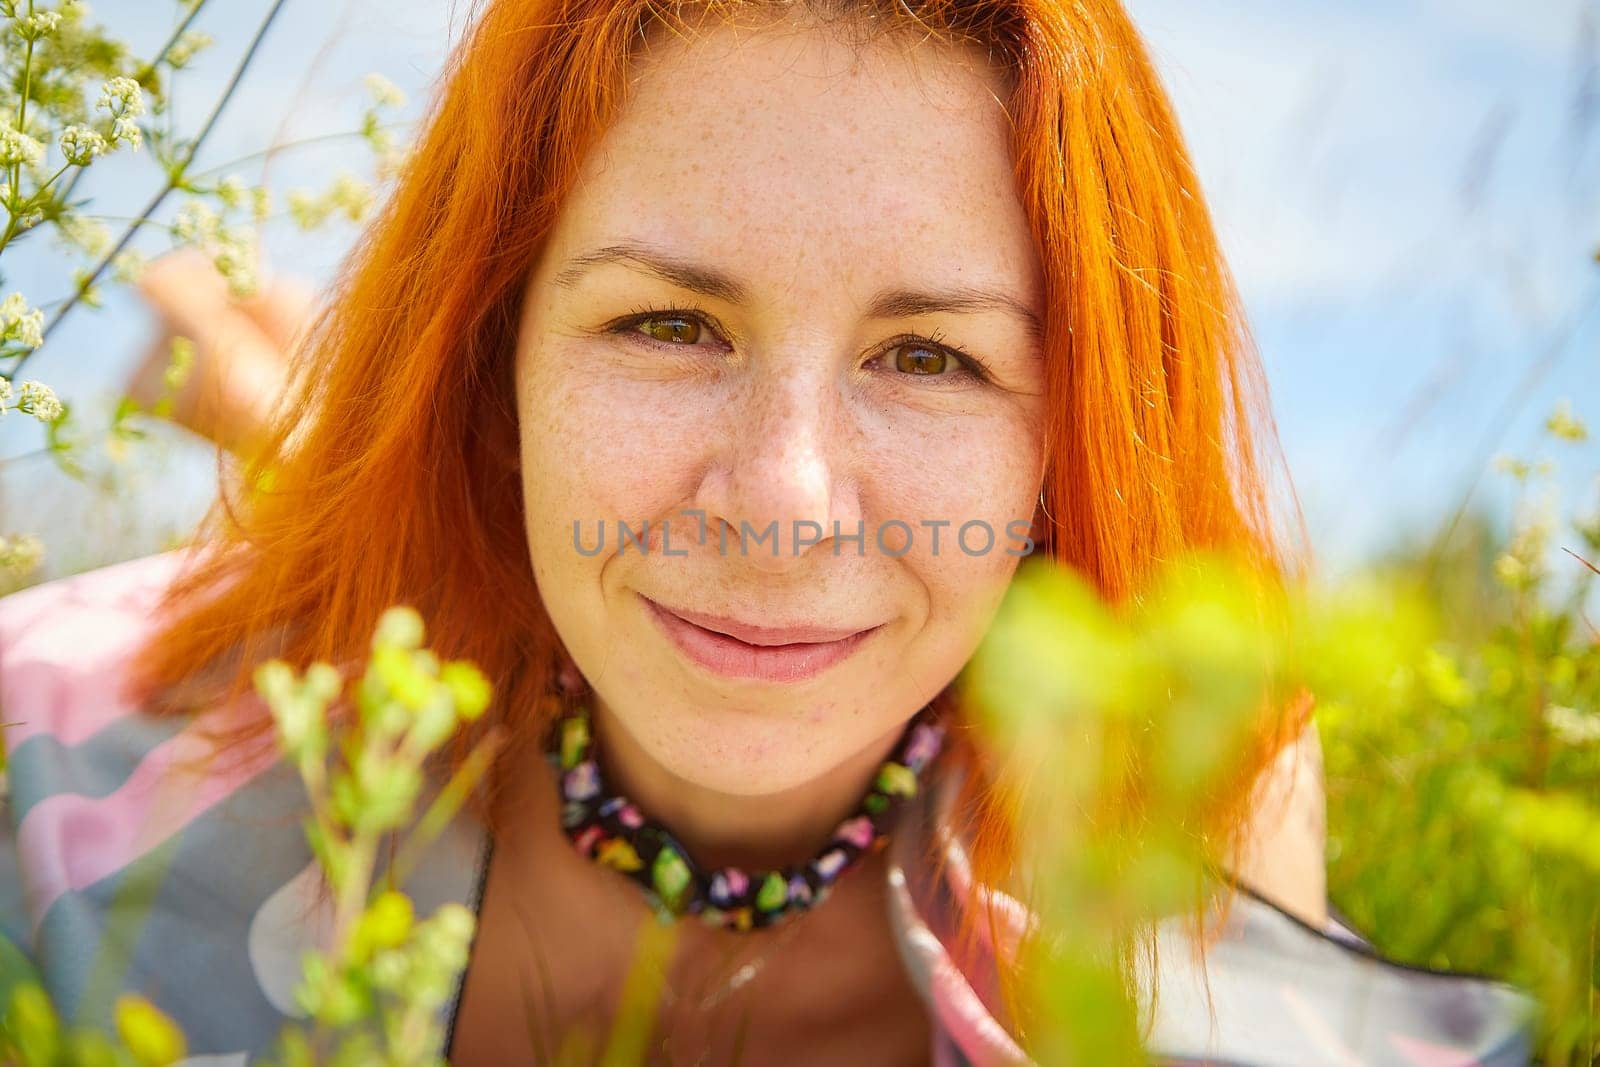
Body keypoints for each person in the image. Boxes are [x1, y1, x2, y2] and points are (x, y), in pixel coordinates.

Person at [0, 1, 1539, 1064]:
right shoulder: (56, 787)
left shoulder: (1163, 799)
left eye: (932, 357)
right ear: (493, 361)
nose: (785, 508)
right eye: (667, 324)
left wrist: (1232, 909)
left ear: (1068, 437)